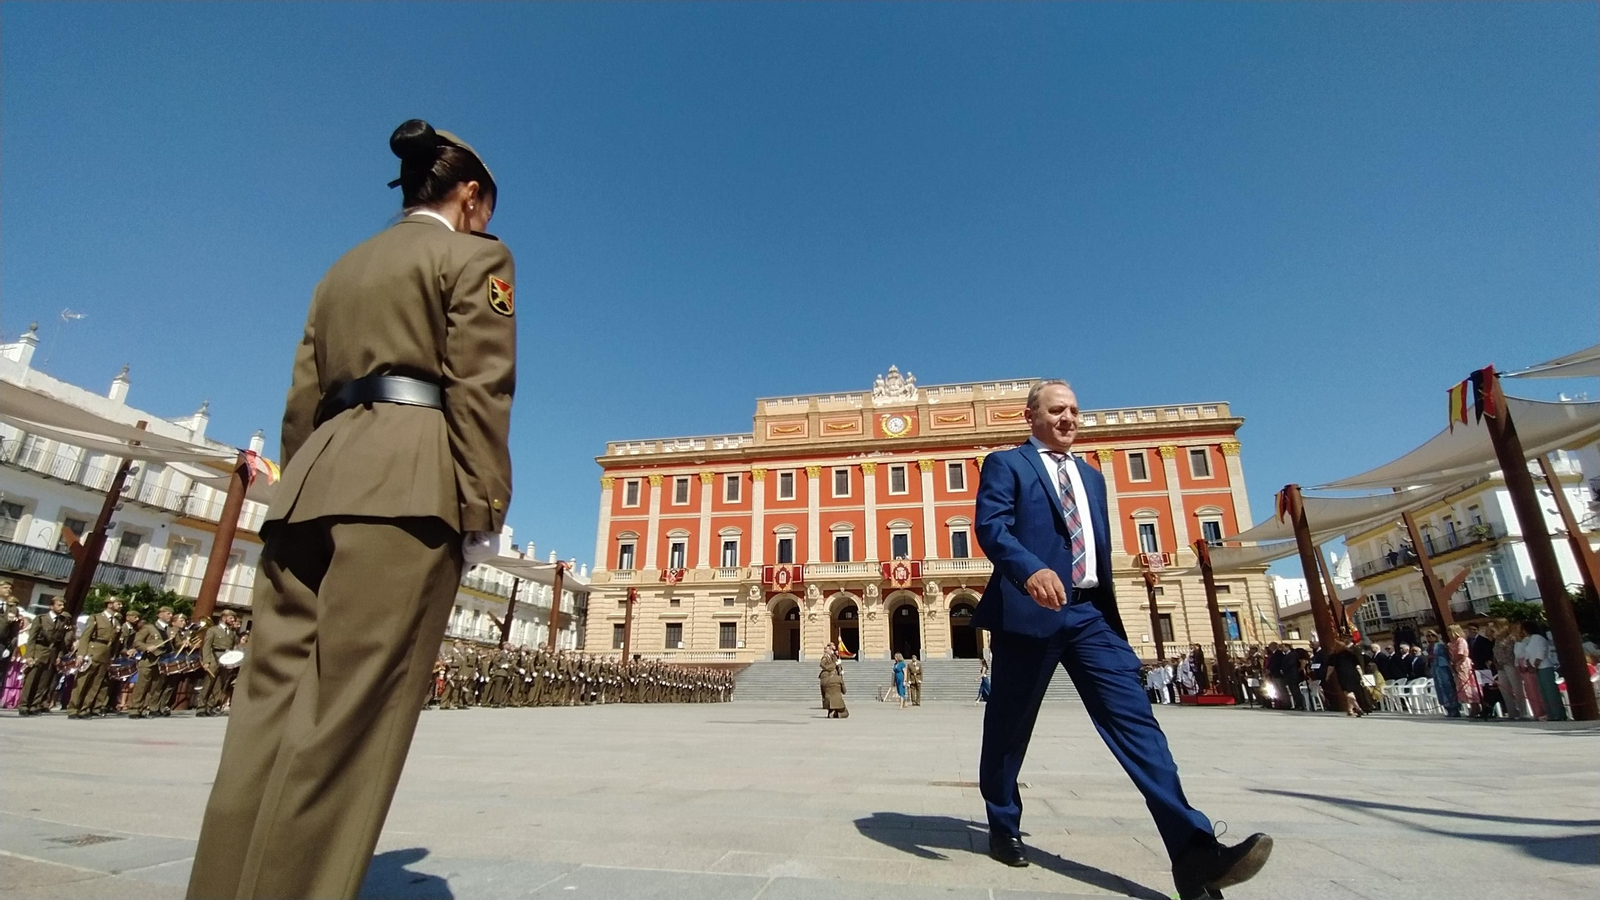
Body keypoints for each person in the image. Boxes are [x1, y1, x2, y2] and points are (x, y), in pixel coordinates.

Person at [188, 119, 517, 900]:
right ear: (470, 195)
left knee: (264, 714)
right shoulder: (476, 258)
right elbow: (480, 388)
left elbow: (302, 398)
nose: (487, 222)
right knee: (348, 722)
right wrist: (482, 506)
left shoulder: (340, 271)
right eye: (487, 209)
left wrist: (300, 484)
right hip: (407, 489)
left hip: (313, 486)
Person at [972, 380, 1269, 900]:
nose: (1068, 418)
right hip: (1029, 611)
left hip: (1092, 615)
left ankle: (1193, 852)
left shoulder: (1091, 476)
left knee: (1138, 726)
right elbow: (992, 527)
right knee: (1008, 728)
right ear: (1030, 416)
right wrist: (1029, 569)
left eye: (1074, 410)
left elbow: (1097, 544)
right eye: (1056, 410)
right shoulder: (1007, 464)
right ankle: (1003, 822)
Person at [67, 597, 123, 718]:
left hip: (105, 654)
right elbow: (85, 636)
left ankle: (85, 709)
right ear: (109, 605)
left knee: (95, 684)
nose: (121, 606)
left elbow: (115, 643)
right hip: (92, 651)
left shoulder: (116, 622)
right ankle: (73, 709)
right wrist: (81, 654)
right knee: (82, 682)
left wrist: (112, 656)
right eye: (118, 603)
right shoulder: (96, 618)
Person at [127, 607, 173, 718]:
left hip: (162, 661)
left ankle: (146, 708)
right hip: (148, 660)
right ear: (160, 615)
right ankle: (134, 709)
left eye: (171, 614)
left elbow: (174, 645)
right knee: (142, 686)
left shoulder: (170, 630)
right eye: (168, 613)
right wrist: (146, 647)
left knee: (155, 687)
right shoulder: (149, 628)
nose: (171, 616)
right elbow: (137, 642)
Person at [1521, 623, 1565, 722]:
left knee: (1550, 691)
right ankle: (1550, 714)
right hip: (1536, 668)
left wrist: (1535, 665)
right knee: (1543, 693)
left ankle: (1558, 714)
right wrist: (1528, 664)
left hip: (1544, 666)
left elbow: (1541, 653)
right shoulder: (1529, 640)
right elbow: (1527, 654)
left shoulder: (1539, 638)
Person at [1490, 618, 1525, 720]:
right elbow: (1495, 652)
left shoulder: (1510, 637)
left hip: (1510, 664)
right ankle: (1512, 711)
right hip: (1500, 666)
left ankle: (1523, 711)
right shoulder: (1497, 639)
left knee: (1517, 688)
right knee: (1504, 688)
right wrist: (1496, 662)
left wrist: (1503, 662)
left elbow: (1510, 652)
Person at [1323, 638, 1364, 717]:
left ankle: (1358, 708)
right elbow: (1358, 666)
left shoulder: (1334, 655)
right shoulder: (1351, 653)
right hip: (1354, 674)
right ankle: (1350, 710)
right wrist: (1361, 675)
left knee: (1348, 692)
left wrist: (1327, 676)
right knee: (1352, 691)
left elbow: (1330, 667)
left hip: (1343, 675)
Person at [1425, 631, 1458, 717]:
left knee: (1448, 687)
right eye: (1428, 635)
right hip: (1434, 668)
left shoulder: (1440, 645)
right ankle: (1447, 708)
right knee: (1440, 689)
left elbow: (1446, 657)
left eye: (1432, 635)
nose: (1430, 637)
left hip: (1443, 668)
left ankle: (1454, 708)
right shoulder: (1429, 647)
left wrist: (1434, 657)